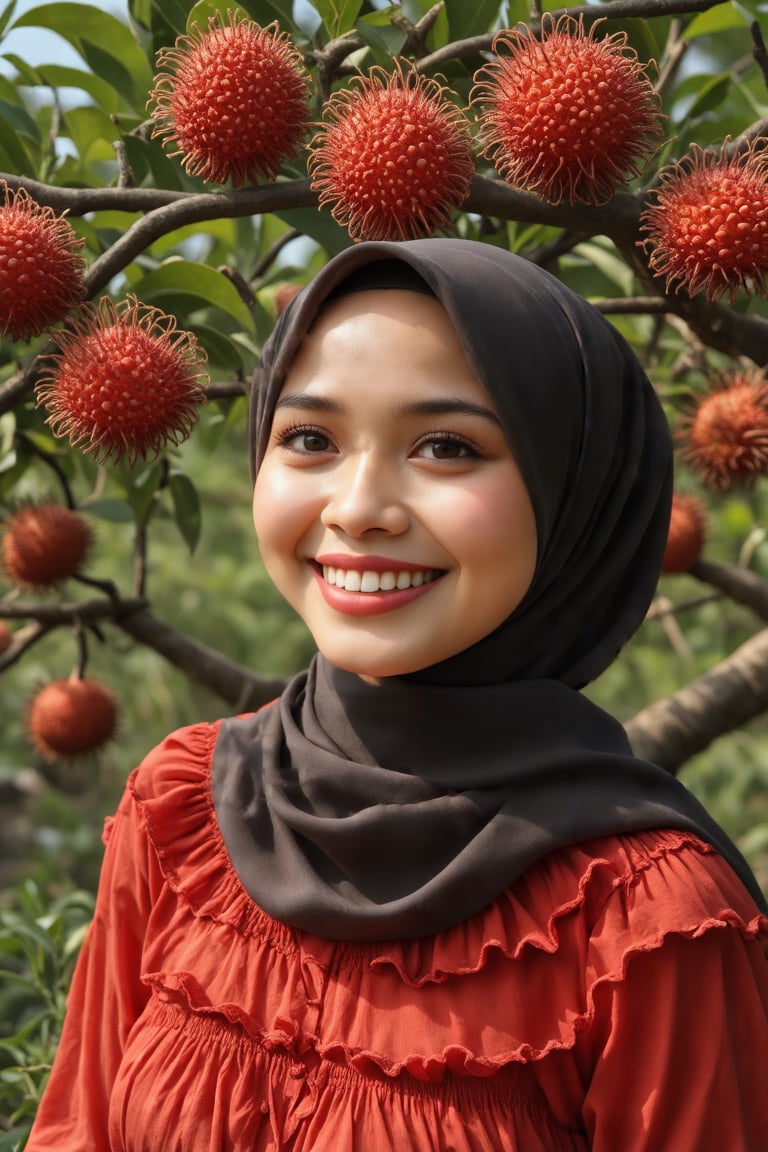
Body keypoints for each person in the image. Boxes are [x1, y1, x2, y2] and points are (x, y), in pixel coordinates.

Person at [26, 239, 768, 1151]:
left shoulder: (648, 921)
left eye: (447, 446)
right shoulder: (181, 807)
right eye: (310, 439)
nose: (357, 505)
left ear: (578, 492)